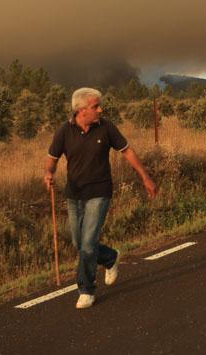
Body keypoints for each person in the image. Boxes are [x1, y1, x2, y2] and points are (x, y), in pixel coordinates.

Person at [44, 87, 158, 309]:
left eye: (99, 105)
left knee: (87, 244)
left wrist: (145, 177)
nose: (100, 109)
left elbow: (128, 152)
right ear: (81, 110)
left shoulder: (106, 128)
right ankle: (109, 257)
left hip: (100, 192)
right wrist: (49, 173)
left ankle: (86, 289)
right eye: (95, 106)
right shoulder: (64, 132)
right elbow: (52, 159)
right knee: (79, 243)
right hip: (74, 194)